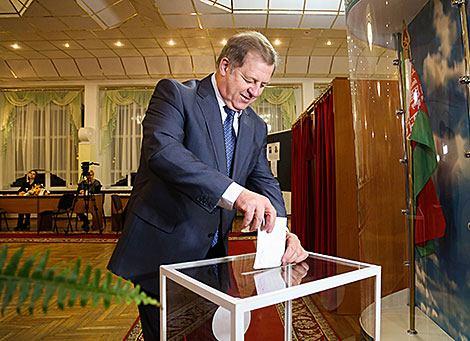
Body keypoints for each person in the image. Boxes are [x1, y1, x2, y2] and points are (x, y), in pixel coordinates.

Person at [108, 31, 308, 340]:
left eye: (263, 85)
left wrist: (281, 232)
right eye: (250, 80)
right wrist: (237, 194)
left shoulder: (255, 124)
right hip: (166, 248)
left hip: (214, 254)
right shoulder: (176, 95)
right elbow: (164, 152)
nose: (256, 92)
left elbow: (264, 180)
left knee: (207, 332)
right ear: (225, 66)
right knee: (165, 334)